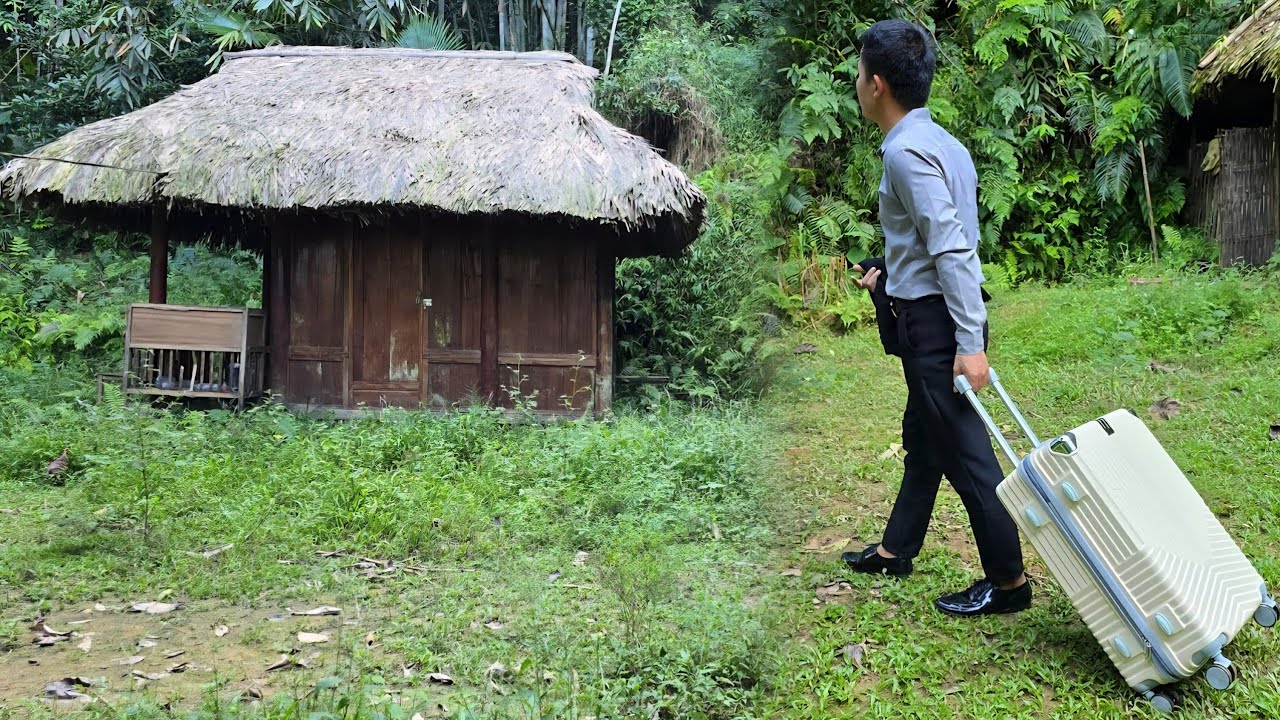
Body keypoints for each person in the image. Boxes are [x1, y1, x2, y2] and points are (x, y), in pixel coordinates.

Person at [841, 19, 1031, 617]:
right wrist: (888, 275)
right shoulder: (945, 144)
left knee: (967, 456)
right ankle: (897, 550)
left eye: (857, 74)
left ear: (876, 85)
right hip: (937, 312)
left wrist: (969, 341)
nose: (855, 83)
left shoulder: (903, 153)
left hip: (938, 327)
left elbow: (951, 248)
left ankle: (1009, 585)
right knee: (924, 441)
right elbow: (930, 246)